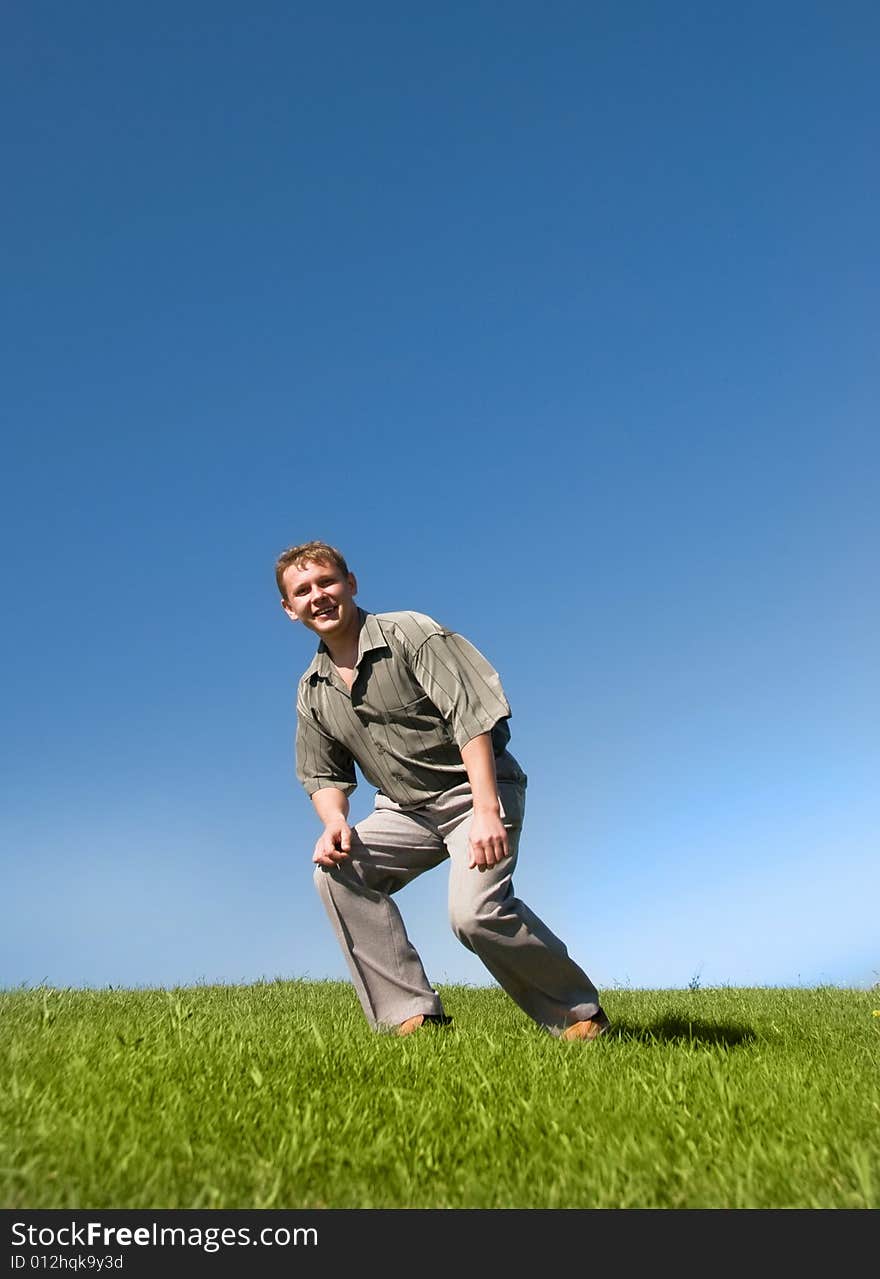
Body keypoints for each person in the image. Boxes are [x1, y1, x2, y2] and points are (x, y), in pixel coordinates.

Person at [276, 540, 608, 1041]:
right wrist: (335, 822)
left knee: (474, 915)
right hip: (404, 811)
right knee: (336, 870)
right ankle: (414, 1016)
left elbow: (471, 716)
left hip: (474, 791)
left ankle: (579, 1017)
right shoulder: (313, 690)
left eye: (327, 582)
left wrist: (487, 809)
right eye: (303, 590)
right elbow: (322, 775)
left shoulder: (411, 632)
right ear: (290, 609)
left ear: (351, 584)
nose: (318, 596)